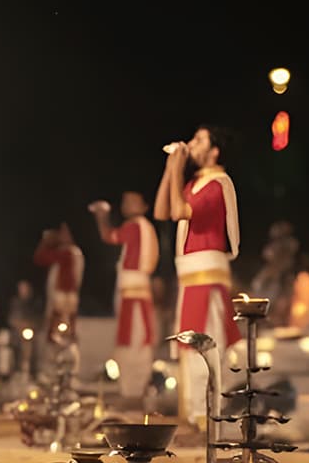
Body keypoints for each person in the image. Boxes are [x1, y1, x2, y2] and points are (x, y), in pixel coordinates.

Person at [155, 125, 241, 429]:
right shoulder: (194, 184)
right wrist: (171, 169)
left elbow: (179, 211)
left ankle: (209, 421)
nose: (192, 143)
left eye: (199, 140)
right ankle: (195, 418)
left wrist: (178, 168)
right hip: (191, 280)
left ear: (214, 151)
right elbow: (162, 210)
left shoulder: (217, 185)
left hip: (207, 280)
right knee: (189, 350)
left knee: (206, 348)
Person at [91, 189, 160, 399]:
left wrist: (101, 215)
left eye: (132, 201)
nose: (126, 205)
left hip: (133, 293)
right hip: (136, 291)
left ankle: (132, 392)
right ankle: (134, 390)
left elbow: (109, 236)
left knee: (131, 340)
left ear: (144, 207)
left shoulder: (135, 226)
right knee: (137, 339)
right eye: (125, 202)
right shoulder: (144, 227)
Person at [32, 222, 86, 334]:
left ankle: (57, 335)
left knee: (60, 317)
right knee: (65, 318)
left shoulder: (69, 252)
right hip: (67, 292)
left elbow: (40, 257)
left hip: (64, 291)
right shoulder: (69, 252)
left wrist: (45, 241)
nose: (61, 236)